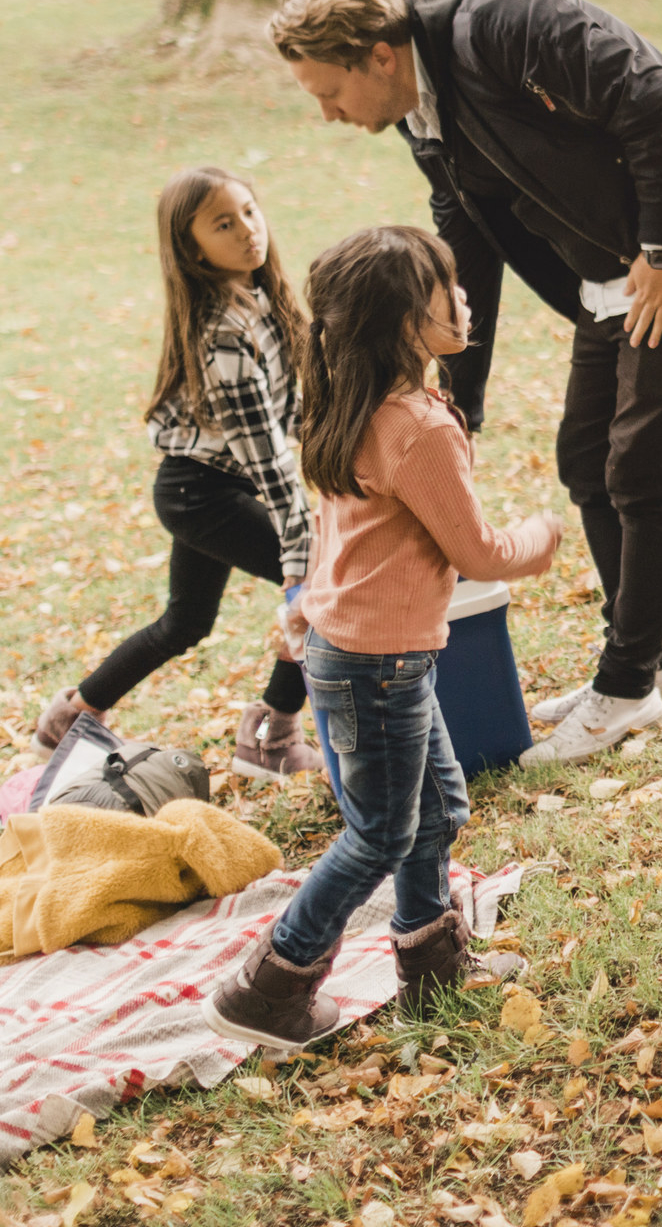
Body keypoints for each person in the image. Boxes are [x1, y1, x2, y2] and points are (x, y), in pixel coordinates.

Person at [267, 0, 662, 766]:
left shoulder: (505, 24)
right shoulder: (421, 112)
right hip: (614, 266)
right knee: (586, 456)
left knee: (641, 461)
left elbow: (659, 103)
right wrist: (453, 398)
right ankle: (647, 668)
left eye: (327, 90)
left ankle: (627, 684)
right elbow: (464, 236)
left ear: (379, 55)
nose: (328, 113)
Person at [205, 225, 563, 1050]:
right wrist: (537, 538)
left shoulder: (354, 404)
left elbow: (350, 536)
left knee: (436, 808)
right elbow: (472, 550)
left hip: (364, 651)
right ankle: (269, 988)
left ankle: (431, 967)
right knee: (379, 834)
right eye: (449, 288)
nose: (466, 299)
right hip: (377, 663)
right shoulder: (419, 429)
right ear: (407, 321)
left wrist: (308, 605)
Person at [32, 167, 323, 785]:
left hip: (210, 486)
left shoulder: (262, 300)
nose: (248, 230)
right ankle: (274, 735)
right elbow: (266, 457)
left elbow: (286, 412)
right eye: (224, 223)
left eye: (249, 211)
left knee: (185, 623)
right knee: (326, 587)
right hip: (202, 493)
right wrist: (301, 559)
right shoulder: (222, 334)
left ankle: (73, 715)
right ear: (193, 248)